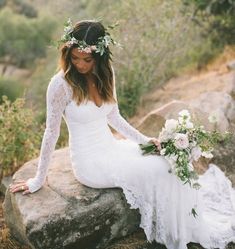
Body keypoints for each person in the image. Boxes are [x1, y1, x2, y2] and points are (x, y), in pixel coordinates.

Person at [9, 19, 235, 249]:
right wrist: (39, 178)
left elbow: (114, 118)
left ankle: (188, 223)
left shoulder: (106, 74)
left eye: (87, 59)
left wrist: (145, 141)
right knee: (158, 169)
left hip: (113, 147)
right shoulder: (60, 85)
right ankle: (177, 231)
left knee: (167, 161)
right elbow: (51, 131)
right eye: (74, 57)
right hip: (90, 164)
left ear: (100, 55)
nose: (79, 64)